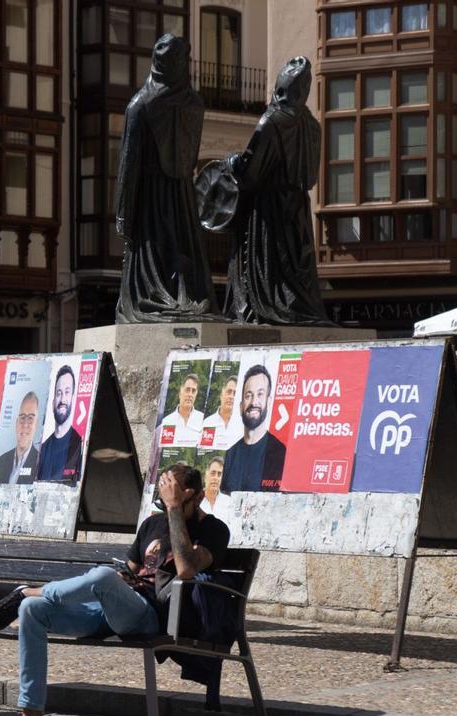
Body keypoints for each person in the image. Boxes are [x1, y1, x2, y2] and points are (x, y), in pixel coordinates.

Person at [0, 463, 229, 716]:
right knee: (34, 611)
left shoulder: (214, 530)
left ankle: (26, 591)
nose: (166, 506)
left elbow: (185, 569)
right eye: (162, 500)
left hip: (151, 617)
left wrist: (175, 510)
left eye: (174, 500)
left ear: (196, 497)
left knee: (100, 577)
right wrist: (122, 579)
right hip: (114, 609)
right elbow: (128, 571)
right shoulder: (151, 525)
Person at [114, 34, 218, 323]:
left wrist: (123, 215)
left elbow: (129, 164)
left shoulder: (140, 105)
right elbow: (191, 154)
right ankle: (181, 296)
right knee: (181, 252)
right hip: (181, 197)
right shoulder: (194, 104)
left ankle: (160, 296)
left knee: (153, 257)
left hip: (149, 198)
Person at [223, 57, 330, 326]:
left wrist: (232, 162)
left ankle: (270, 307)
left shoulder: (270, 122)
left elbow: (249, 175)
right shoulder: (312, 126)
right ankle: (298, 310)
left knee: (270, 272)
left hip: (269, 212)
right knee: (295, 270)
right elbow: (311, 178)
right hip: (298, 211)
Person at [219, 365, 286, 493]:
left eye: (260, 394)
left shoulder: (281, 453)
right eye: (248, 396)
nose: (254, 402)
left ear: (269, 401)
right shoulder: (229, 455)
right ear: (240, 406)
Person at [35, 366, 83, 484]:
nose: (62, 399)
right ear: (52, 402)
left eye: (67, 392)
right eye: (58, 393)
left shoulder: (79, 444)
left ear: (72, 398)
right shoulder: (42, 449)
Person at [0, 392, 41, 485]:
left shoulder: (40, 463)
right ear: (16, 423)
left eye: (30, 419)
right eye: (22, 417)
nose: (25, 424)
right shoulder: (2, 460)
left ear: (36, 424)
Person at [159, 373, 204, 446]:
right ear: (180, 393)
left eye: (193, 391)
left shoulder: (204, 421)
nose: (190, 394)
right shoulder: (166, 422)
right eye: (187, 390)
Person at [200, 376, 243, 450]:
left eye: (235, 393)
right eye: (229, 392)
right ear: (221, 395)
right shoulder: (208, 423)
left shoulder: (243, 425)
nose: (231, 396)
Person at [199, 456, 232, 521]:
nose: (216, 478)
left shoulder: (229, 503)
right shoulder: (196, 501)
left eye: (219, 474)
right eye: (213, 473)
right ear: (205, 476)